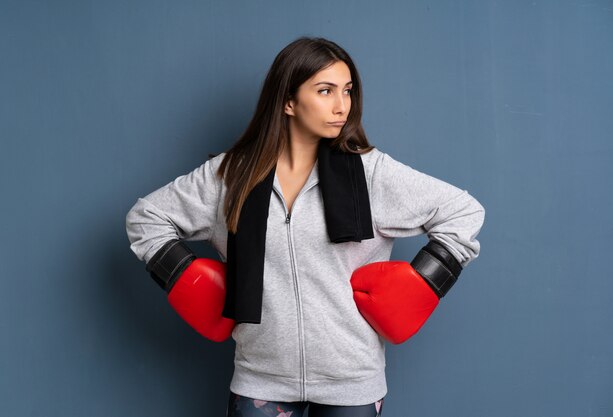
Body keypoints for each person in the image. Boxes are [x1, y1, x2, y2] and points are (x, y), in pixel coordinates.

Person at [125, 36, 485, 417]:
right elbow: (145, 219)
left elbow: (463, 211)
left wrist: (425, 280)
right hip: (260, 378)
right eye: (325, 91)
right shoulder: (230, 176)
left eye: (347, 91)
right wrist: (187, 278)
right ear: (288, 102)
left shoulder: (371, 173)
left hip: (352, 380)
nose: (341, 106)